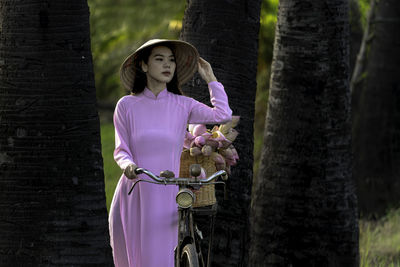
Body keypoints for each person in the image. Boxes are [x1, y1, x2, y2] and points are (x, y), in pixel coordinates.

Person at [109, 39, 232, 267]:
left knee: (161, 258)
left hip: (166, 193)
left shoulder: (182, 105)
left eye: (172, 60)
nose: (168, 65)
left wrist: (211, 79)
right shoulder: (126, 105)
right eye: (159, 59)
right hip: (135, 189)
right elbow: (121, 150)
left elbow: (222, 115)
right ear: (144, 66)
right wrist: (128, 166)